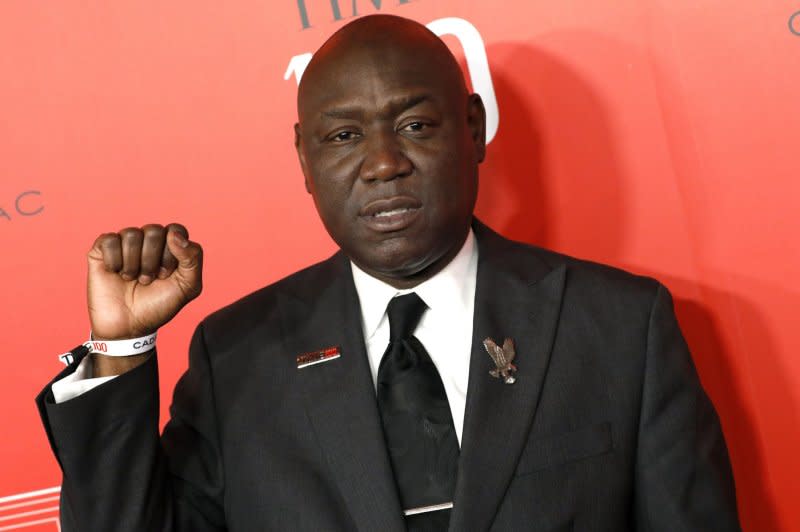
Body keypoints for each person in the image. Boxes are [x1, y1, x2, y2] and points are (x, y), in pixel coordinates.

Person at [36, 14, 741, 532]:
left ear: (472, 127)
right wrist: (120, 349)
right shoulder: (236, 356)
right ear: (305, 161)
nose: (381, 164)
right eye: (343, 137)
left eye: (415, 126)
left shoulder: (620, 326)